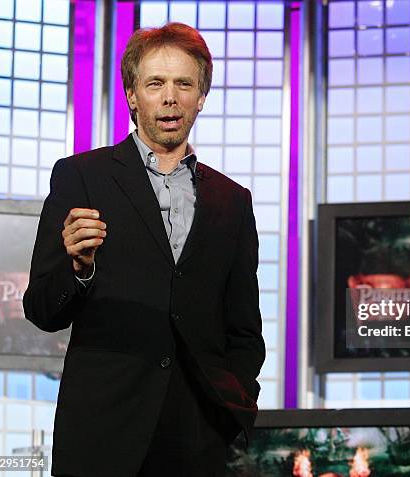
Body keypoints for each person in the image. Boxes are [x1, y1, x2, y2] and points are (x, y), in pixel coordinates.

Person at [23, 22, 265, 477]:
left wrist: (231, 407)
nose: (169, 97)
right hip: (101, 433)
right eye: (155, 83)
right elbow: (40, 308)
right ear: (133, 96)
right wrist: (79, 269)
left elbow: (244, 330)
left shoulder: (234, 201)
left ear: (201, 96)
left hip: (198, 440)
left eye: (183, 84)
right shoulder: (82, 176)